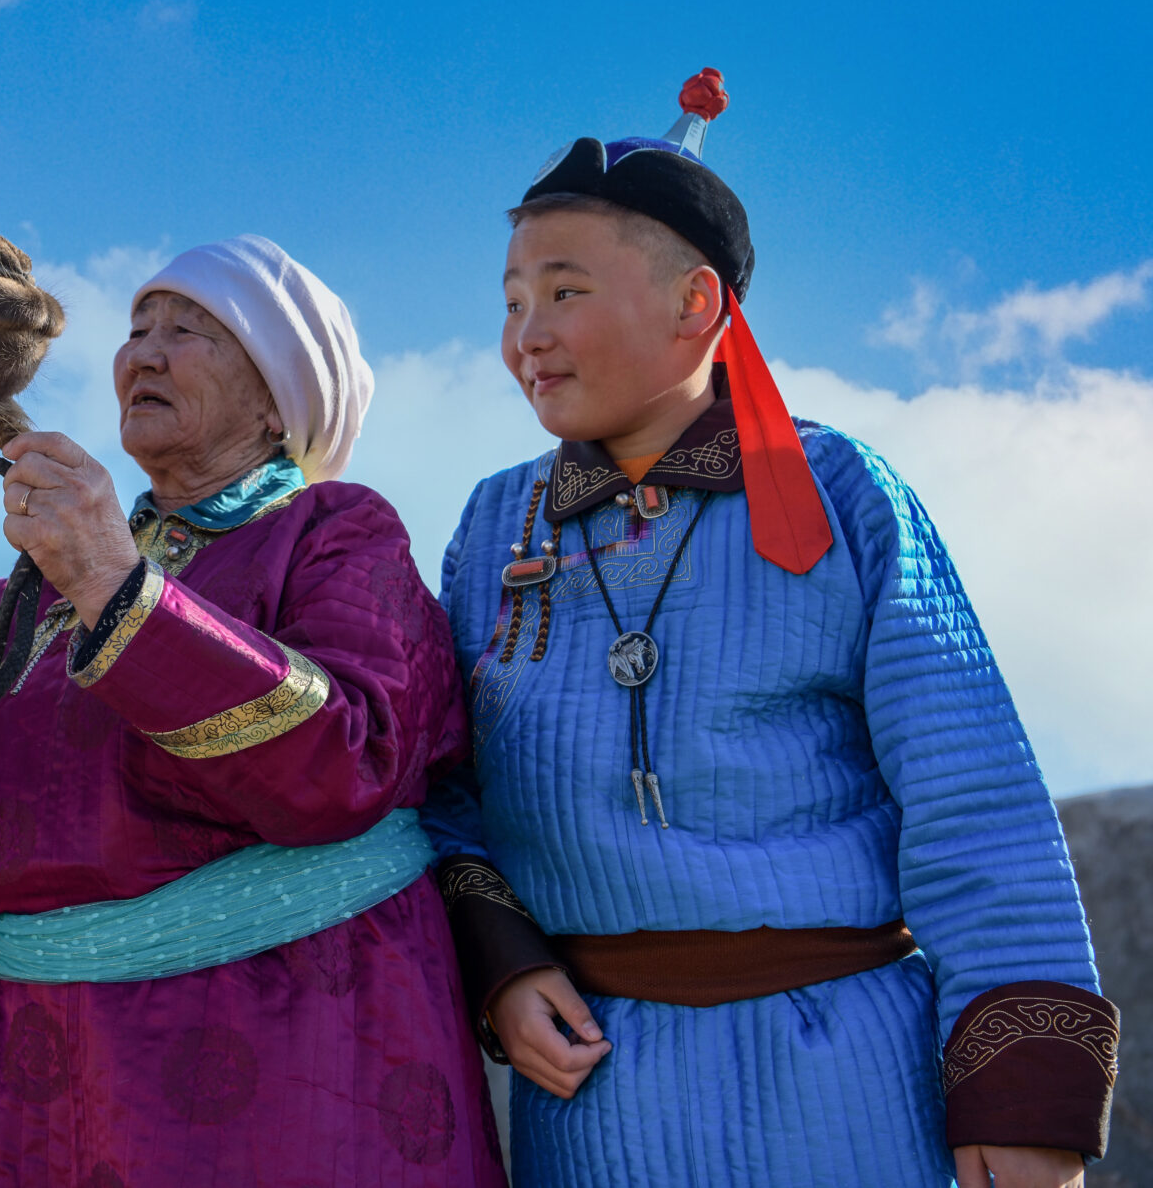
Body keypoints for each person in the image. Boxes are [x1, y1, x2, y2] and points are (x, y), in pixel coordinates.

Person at [421, 71, 1118, 1188]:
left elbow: (970, 791)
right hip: (595, 1093)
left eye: (561, 293)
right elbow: (441, 788)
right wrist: (500, 965)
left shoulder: (841, 492)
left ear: (694, 305)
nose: (523, 336)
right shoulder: (492, 525)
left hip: (841, 1081)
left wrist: (1020, 1095)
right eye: (509, 301)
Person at [0, 234, 506, 1186]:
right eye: (138, 328)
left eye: (192, 330)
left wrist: (116, 587)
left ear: (276, 394)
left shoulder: (335, 533)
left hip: (282, 1044)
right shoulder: (28, 594)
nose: (146, 352)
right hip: (22, 1068)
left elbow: (348, 765)